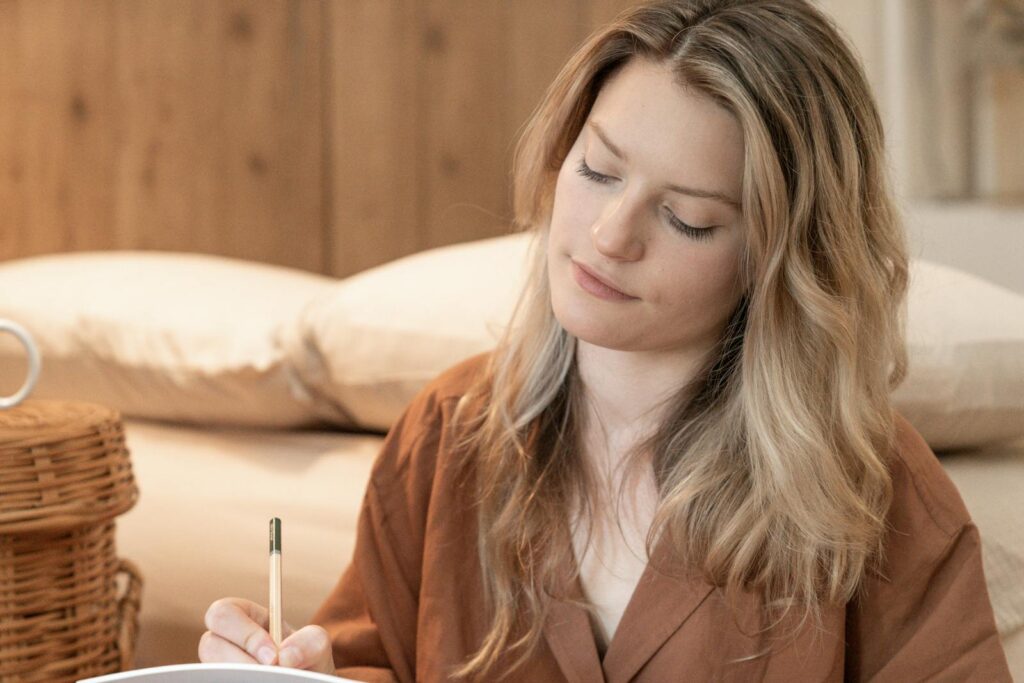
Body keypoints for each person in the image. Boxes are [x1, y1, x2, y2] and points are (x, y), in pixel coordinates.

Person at [198, 0, 1012, 680]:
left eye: (687, 218)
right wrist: (288, 667)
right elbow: (369, 658)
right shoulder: (446, 436)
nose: (611, 234)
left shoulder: (878, 497)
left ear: (774, 262)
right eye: (598, 171)